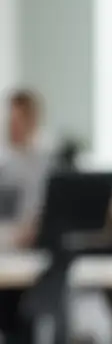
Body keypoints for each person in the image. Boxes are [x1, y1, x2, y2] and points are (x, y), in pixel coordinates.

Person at [0, 91, 54, 250]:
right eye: (10, 121)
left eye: (19, 121)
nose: (13, 127)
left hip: (37, 241)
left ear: (33, 121)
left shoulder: (47, 163)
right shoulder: (4, 162)